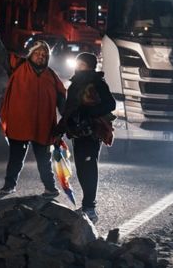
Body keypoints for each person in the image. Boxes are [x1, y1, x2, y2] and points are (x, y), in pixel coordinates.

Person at [0, 21, 66, 197]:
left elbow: (62, 100)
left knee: (44, 160)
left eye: (44, 54)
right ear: (30, 54)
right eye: (37, 53)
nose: (40, 56)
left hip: (43, 126)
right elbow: (0, 53)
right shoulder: (17, 65)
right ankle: (9, 185)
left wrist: (65, 122)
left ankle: (50, 187)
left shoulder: (52, 76)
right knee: (15, 158)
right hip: (19, 123)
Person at [54, 52, 115, 223]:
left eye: (83, 65)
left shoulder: (97, 82)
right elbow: (69, 109)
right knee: (81, 167)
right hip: (78, 131)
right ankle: (87, 205)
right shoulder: (75, 83)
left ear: (90, 66)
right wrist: (60, 128)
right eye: (78, 64)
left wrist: (88, 113)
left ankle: (90, 207)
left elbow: (110, 104)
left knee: (89, 166)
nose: (79, 67)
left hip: (92, 132)